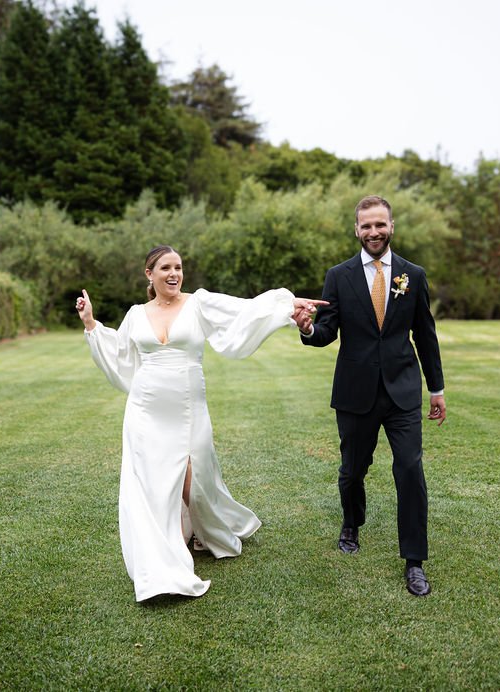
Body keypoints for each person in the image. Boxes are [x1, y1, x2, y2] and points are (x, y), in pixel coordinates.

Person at [76, 245, 327, 602]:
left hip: (189, 406)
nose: (174, 273)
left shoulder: (199, 304)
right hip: (145, 409)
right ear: (150, 274)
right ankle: (162, 555)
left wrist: (287, 307)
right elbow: (119, 354)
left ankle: (202, 529)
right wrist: (90, 324)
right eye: (165, 268)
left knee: (196, 480)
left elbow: (244, 309)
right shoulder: (136, 313)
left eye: (178, 267)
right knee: (151, 481)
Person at [295, 195, 446, 597]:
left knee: (410, 471)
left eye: (380, 225)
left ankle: (414, 561)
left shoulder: (412, 275)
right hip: (355, 392)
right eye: (366, 226)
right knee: (352, 471)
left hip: (402, 391)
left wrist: (437, 389)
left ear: (391, 226)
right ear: (357, 230)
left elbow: (425, 335)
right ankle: (351, 522)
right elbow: (326, 332)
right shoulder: (339, 276)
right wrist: (308, 328)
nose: (374, 232)